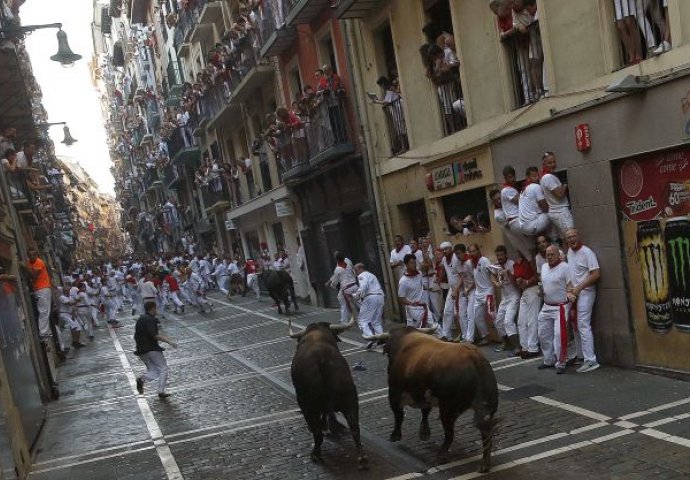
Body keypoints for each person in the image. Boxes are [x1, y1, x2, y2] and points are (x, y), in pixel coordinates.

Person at [565, 228, 601, 373]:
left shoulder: (587, 252)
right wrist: (571, 289)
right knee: (574, 324)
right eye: (569, 237)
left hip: (586, 292)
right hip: (575, 294)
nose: (572, 239)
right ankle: (581, 356)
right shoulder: (569, 252)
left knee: (583, 324)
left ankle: (591, 360)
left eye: (574, 236)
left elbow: (596, 274)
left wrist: (579, 288)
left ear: (578, 237)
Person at [537, 245, 576, 374]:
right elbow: (542, 285)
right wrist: (541, 292)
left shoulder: (565, 267)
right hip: (546, 306)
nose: (549, 257)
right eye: (547, 255)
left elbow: (570, 285)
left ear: (558, 255)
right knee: (543, 334)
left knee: (559, 335)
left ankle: (561, 362)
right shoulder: (543, 267)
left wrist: (570, 293)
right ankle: (548, 360)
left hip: (561, 306)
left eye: (552, 254)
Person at [134, 301, 177, 399]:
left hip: (141, 350)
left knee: (154, 370)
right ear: (153, 308)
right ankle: (161, 391)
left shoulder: (141, 319)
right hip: (151, 349)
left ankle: (141, 379)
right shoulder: (150, 319)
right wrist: (169, 342)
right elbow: (155, 335)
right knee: (163, 369)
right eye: (155, 308)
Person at [490, 245, 520, 353]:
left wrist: (508, 273)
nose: (499, 257)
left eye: (501, 255)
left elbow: (516, 282)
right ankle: (507, 343)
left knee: (508, 321)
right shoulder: (495, 265)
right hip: (504, 297)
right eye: (497, 255)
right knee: (499, 321)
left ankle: (517, 346)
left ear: (506, 255)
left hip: (513, 296)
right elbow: (492, 275)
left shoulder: (511, 264)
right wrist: (496, 283)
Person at [540, 152, 574, 239]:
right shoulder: (548, 177)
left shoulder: (545, 177)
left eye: (554, 162)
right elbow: (560, 194)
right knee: (572, 236)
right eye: (550, 163)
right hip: (561, 211)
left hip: (557, 212)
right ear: (544, 164)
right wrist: (565, 185)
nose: (553, 165)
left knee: (565, 238)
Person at [513, 251, 541, 358]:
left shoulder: (531, 261)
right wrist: (518, 281)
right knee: (521, 321)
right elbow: (516, 279)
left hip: (533, 289)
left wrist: (527, 282)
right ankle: (524, 347)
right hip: (524, 292)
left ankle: (533, 348)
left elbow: (537, 275)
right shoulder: (517, 264)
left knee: (531, 320)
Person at [352, 263, 385, 348]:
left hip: (370, 297)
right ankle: (381, 339)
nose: (355, 272)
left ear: (360, 269)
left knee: (362, 320)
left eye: (355, 270)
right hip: (380, 297)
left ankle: (370, 339)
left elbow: (364, 286)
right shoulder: (371, 275)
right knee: (376, 321)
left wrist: (357, 295)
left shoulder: (361, 275)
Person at [398, 254, 432, 329]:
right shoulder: (403, 281)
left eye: (414, 262)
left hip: (423, 306)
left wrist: (428, 288)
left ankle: (443, 338)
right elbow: (401, 298)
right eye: (411, 263)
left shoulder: (419, 273)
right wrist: (412, 303)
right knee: (415, 331)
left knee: (432, 326)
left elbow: (420, 285)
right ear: (406, 265)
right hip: (412, 309)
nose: (414, 265)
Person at [467, 243, 492, 345]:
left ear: (478, 251)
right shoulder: (471, 263)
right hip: (478, 294)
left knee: (493, 315)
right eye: (470, 251)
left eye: (474, 251)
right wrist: (469, 288)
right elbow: (475, 278)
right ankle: (485, 336)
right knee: (477, 317)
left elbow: (492, 272)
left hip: (488, 292)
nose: (472, 253)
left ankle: (505, 338)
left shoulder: (484, 260)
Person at [25, 248, 53, 338]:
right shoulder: (30, 263)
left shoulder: (38, 262)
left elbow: (34, 276)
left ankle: (45, 331)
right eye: (30, 255)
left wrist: (25, 267)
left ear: (37, 255)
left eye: (34, 255)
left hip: (43, 288)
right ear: (28, 256)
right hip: (40, 289)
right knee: (44, 311)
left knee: (45, 311)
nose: (32, 256)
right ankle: (44, 332)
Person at [326, 252, 359, 325]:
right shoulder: (348, 260)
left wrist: (331, 285)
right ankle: (368, 317)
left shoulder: (337, 269)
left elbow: (335, 281)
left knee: (345, 304)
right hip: (354, 285)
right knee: (359, 303)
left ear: (336, 259)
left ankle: (345, 321)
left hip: (346, 288)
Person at [518, 166, 550, 237]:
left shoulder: (522, 191)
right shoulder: (535, 186)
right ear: (527, 177)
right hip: (532, 225)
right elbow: (545, 208)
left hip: (523, 227)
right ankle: (555, 239)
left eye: (537, 176)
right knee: (553, 212)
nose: (537, 178)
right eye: (534, 176)